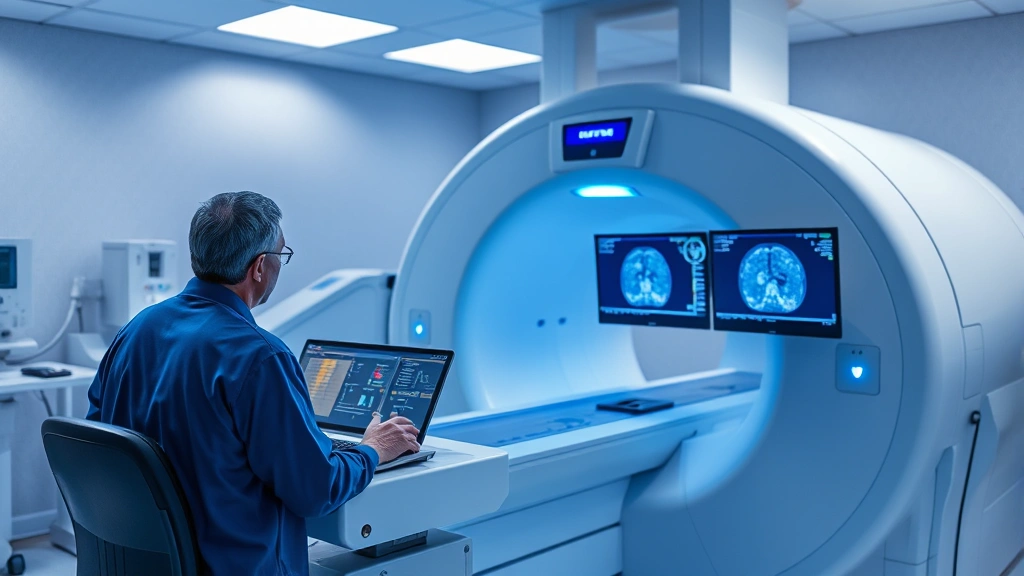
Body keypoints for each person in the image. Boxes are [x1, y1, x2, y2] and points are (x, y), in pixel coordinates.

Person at [86, 191, 421, 575]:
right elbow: (316, 490)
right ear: (260, 267)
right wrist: (372, 449)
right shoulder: (260, 357)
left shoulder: (135, 330)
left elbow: (101, 442)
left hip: (146, 562)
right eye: (281, 254)